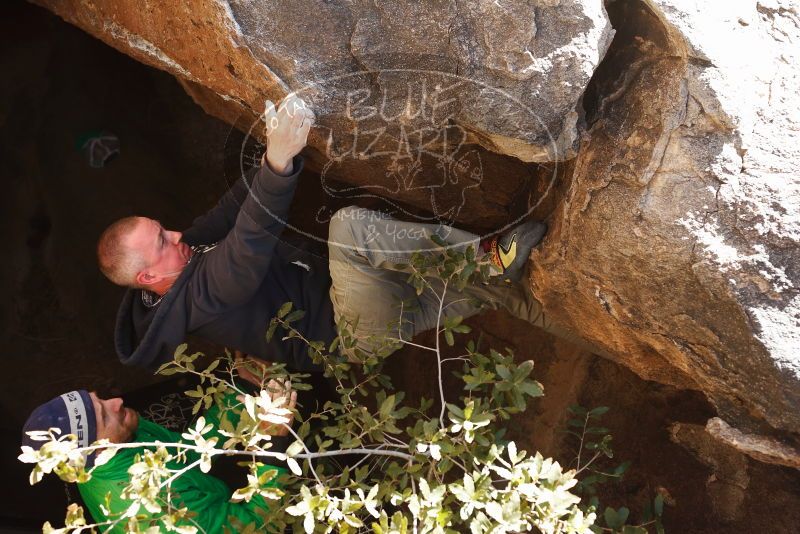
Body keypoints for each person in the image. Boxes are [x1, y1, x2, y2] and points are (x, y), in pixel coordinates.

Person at [98, 93, 557, 372]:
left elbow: (232, 211)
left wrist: (271, 152)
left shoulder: (184, 254)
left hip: (366, 293)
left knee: (505, 295)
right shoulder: (195, 302)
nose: (176, 235)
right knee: (350, 230)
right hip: (352, 331)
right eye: (161, 242)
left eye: (163, 229)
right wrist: (279, 164)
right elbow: (246, 246)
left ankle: (607, 331)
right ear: (146, 277)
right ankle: (482, 257)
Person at [21, 373, 296, 533]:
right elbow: (256, 527)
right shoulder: (155, 508)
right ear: (97, 450)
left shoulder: (125, 433)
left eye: (100, 399)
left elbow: (189, 449)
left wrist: (240, 390)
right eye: (105, 415)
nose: (117, 402)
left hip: (210, 493)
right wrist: (273, 446)